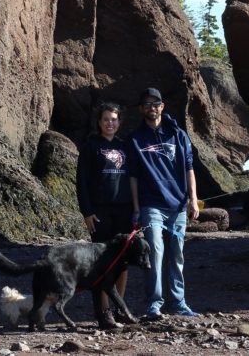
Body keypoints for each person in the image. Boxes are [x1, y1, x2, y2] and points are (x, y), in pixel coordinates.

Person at [127, 87, 200, 319]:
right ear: (141, 109)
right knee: (155, 252)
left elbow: (189, 168)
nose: (152, 107)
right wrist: (137, 208)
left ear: (162, 106)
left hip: (178, 205)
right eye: (147, 104)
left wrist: (193, 200)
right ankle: (154, 303)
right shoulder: (135, 139)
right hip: (151, 207)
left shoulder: (178, 135)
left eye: (155, 103)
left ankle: (178, 302)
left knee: (176, 255)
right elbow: (133, 177)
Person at [75, 101, 134, 327]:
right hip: (100, 212)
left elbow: (133, 178)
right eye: (106, 119)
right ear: (99, 122)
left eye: (114, 119)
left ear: (119, 122)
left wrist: (136, 208)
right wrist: (87, 212)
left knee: (122, 262)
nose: (110, 123)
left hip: (124, 210)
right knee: (102, 263)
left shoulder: (125, 146)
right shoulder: (91, 146)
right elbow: (82, 182)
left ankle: (121, 309)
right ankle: (104, 311)